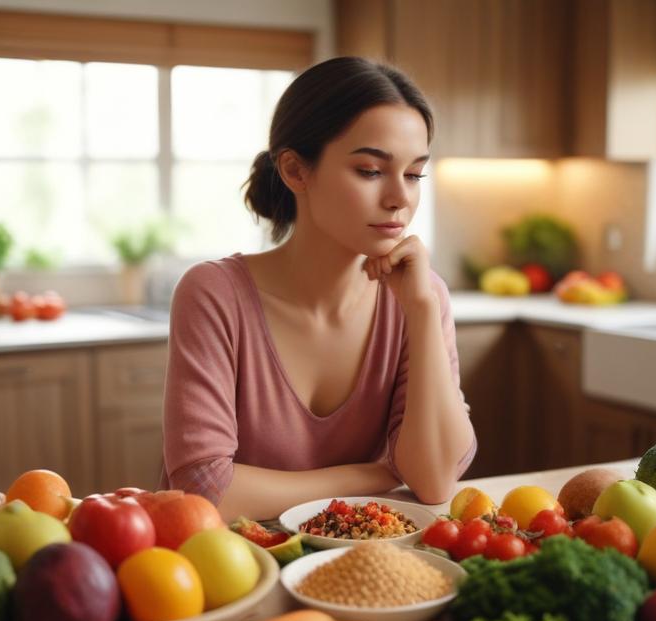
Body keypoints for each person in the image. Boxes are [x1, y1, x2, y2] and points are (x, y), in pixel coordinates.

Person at [160, 57, 476, 521]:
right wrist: (378, 474)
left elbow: (433, 481)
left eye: (413, 175)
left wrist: (423, 312)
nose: (400, 198)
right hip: (228, 571)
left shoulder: (420, 296)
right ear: (295, 171)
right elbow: (205, 490)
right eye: (370, 170)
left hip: (359, 570)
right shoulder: (213, 294)